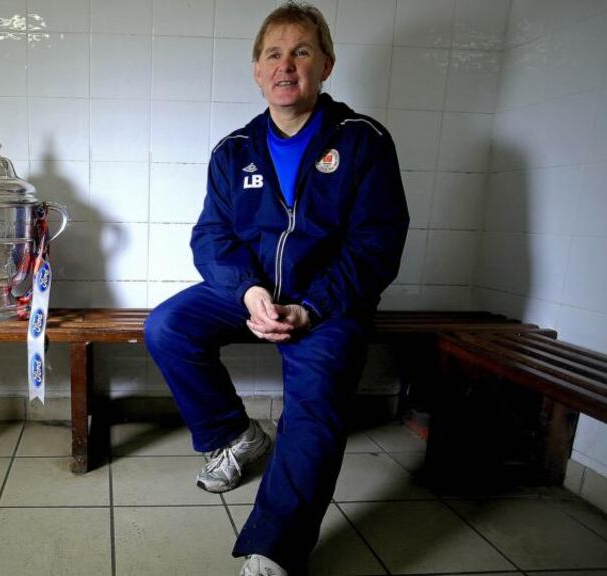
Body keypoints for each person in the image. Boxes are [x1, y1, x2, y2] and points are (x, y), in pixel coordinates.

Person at [144, 3, 410, 575]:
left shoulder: (364, 142)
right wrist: (247, 293)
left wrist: (311, 307)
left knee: (315, 404)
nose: (286, 66)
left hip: (329, 304)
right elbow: (211, 236)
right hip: (253, 292)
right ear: (257, 70)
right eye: (273, 54)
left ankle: (274, 547)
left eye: (302, 51)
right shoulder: (234, 150)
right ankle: (236, 437)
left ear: (327, 65)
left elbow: (377, 245)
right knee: (167, 325)